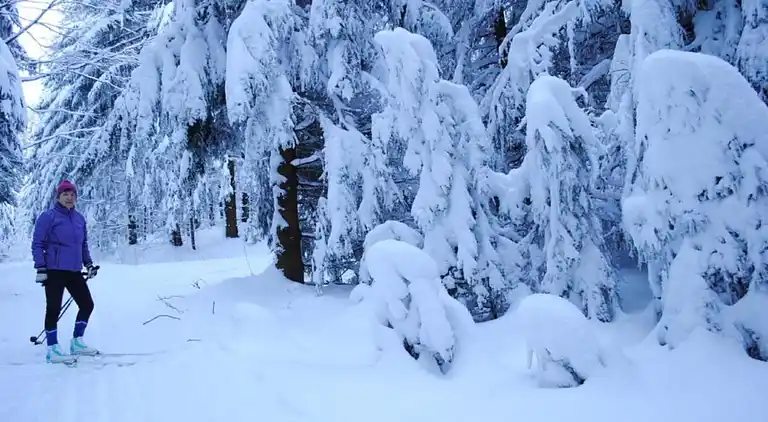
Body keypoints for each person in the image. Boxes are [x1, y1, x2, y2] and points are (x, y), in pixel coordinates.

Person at [31, 180, 100, 363]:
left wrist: (89, 264)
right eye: (65, 194)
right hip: (54, 270)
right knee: (53, 309)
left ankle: (77, 342)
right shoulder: (48, 217)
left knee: (87, 304)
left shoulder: (79, 219)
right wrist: (41, 267)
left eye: (72, 195)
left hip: (74, 270)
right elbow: (37, 243)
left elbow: (82, 245)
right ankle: (52, 349)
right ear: (59, 197)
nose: (69, 198)